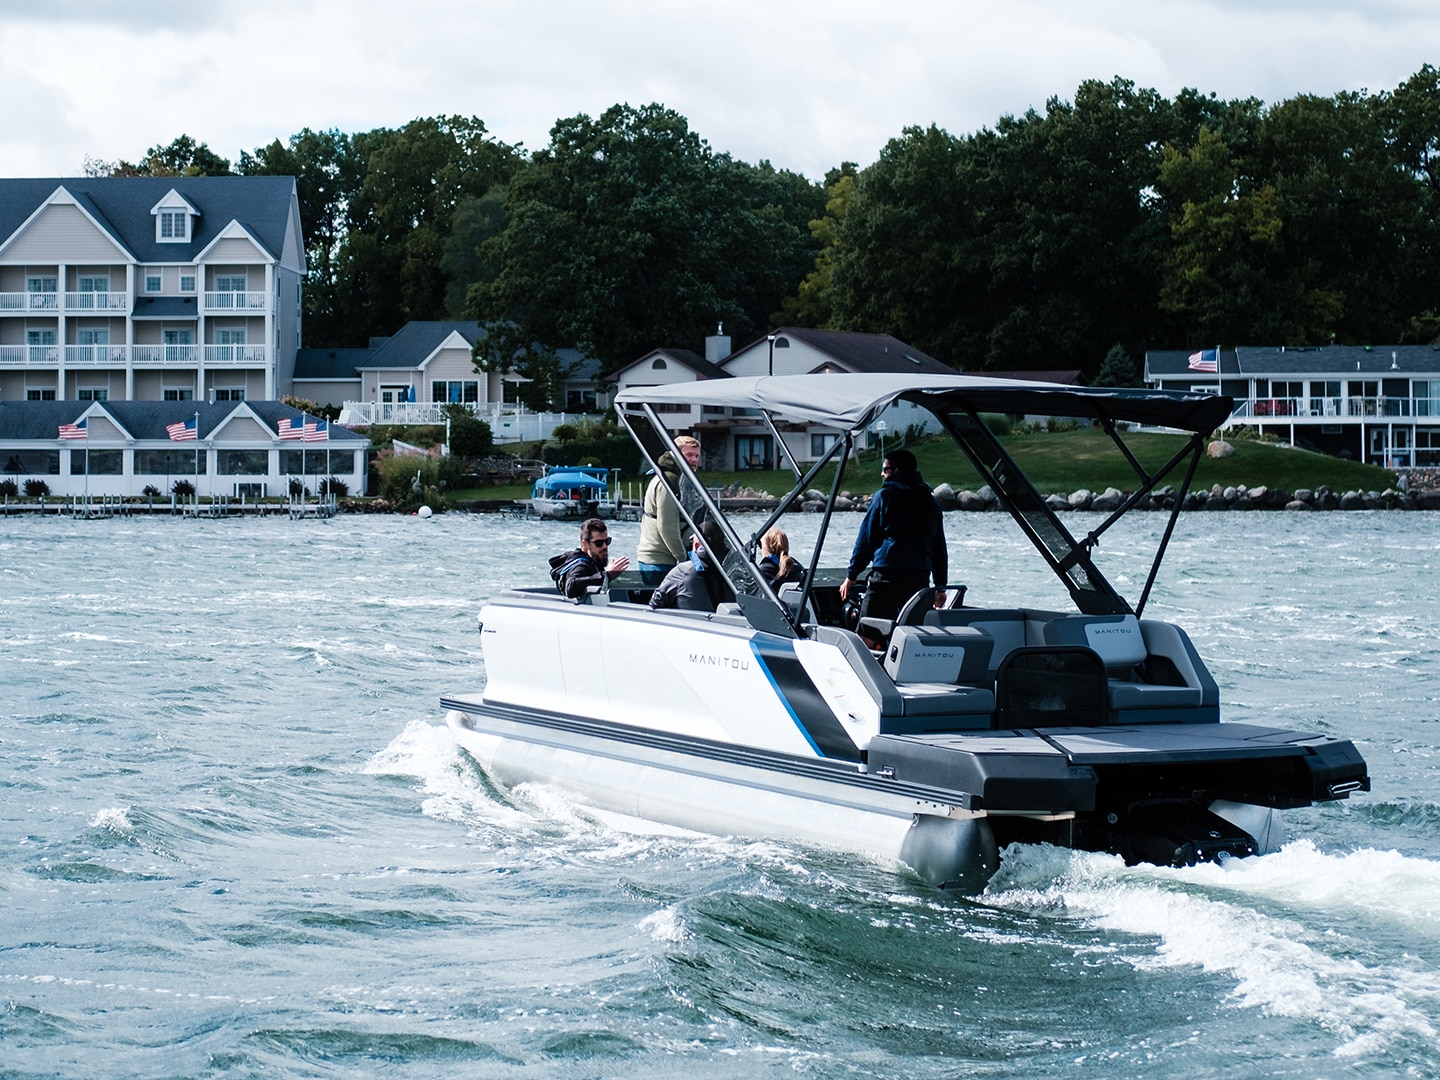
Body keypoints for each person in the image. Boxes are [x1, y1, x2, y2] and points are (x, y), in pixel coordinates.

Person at [839, 448, 947, 624]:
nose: (882, 474)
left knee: (869, 628)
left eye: (885, 469)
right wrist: (940, 586)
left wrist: (852, 575)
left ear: (897, 470)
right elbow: (939, 547)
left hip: (887, 576)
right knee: (913, 629)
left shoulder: (884, 497)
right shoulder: (930, 501)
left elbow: (866, 539)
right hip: (919, 577)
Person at [636, 434, 701, 585]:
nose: (694, 460)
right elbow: (667, 527)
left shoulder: (681, 480)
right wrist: (683, 558)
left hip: (665, 560)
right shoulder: (668, 484)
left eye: (697, 456)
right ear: (675, 455)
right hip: (659, 562)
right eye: (689, 455)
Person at [649, 519, 735, 613]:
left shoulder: (684, 570)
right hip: (725, 623)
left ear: (697, 546)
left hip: (689, 624)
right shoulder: (731, 571)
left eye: (692, 541)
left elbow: (655, 603)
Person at [549, 517, 631, 600]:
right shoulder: (582, 566)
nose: (605, 546)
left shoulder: (593, 560)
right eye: (598, 543)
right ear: (585, 544)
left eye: (607, 541)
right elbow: (571, 587)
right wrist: (606, 575)